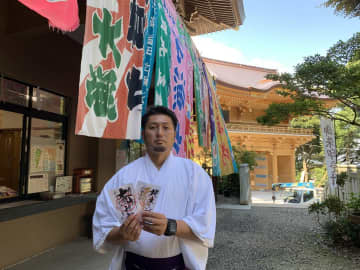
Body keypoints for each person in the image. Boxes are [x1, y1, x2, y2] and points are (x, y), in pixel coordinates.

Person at [93, 105, 216, 270]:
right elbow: (104, 228)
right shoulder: (123, 178)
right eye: (152, 127)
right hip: (134, 264)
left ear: (174, 135)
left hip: (177, 264)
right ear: (143, 135)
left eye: (166, 128)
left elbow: (205, 224)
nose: (159, 133)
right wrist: (122, 233)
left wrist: (170, 226)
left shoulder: (194, 175)